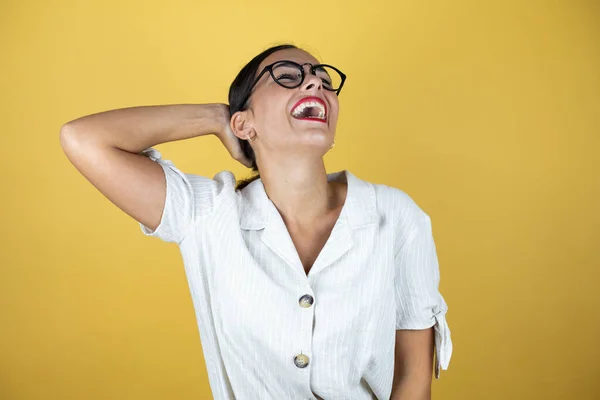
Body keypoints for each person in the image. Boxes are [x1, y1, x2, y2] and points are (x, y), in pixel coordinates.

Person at [59, 43, 452, 400]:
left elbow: (412, 380)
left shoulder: (395, 216)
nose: (314, 80)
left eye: (323, 79)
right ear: (245, 125)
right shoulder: (208, 215)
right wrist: (216, 117)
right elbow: (83, 139)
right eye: (287, 76)